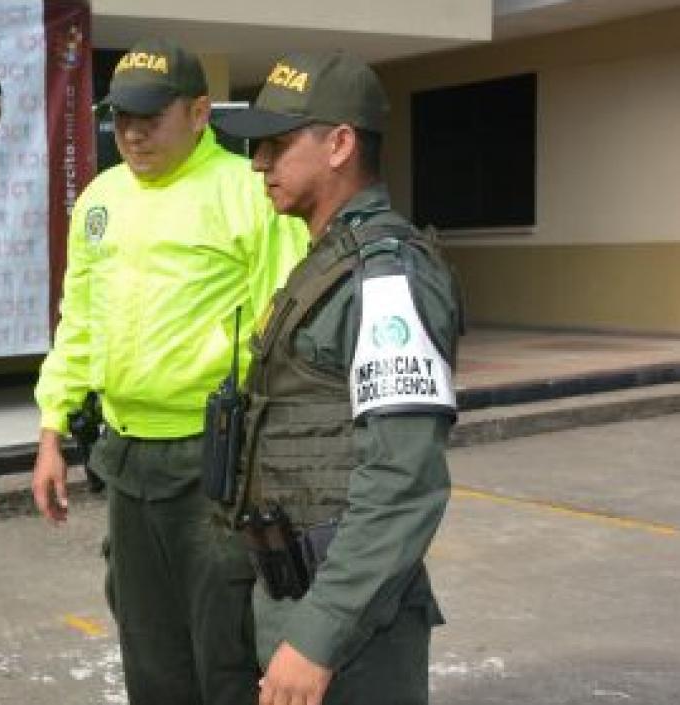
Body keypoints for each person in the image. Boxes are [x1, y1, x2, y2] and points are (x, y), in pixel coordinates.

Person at [31, 38, 310, 705]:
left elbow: (290, 329)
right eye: (122, 117)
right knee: (148, 646)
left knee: (225, 648)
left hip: (217, 461)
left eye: (151, 117)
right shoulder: (101, 198)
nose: (132, 133)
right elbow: (80, 319)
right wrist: (50, 429)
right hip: (126, 459)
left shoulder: (247, 192)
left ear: (199, 112)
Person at [215, 51, 463, 705]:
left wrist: (318, 637)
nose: (258, 163)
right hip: (299, 601)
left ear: (340, 144)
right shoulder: (328, 261)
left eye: (276, 144)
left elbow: (403, 483)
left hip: (350, 634)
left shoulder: (387, 279)